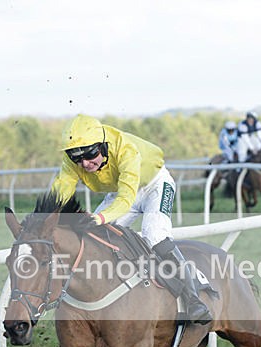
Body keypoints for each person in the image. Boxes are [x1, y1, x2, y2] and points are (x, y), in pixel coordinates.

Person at [52, 114, 212, 324]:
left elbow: (126, 200)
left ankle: (193, 299)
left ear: (102, 145)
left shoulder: (125, 149)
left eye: (91, 155)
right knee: (95, 237)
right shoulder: (75, 158)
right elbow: (60, 193)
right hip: (122, 190)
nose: (85, 164)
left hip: (154, 185)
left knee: (154, 235)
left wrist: (99, 218)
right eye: (77, 159)